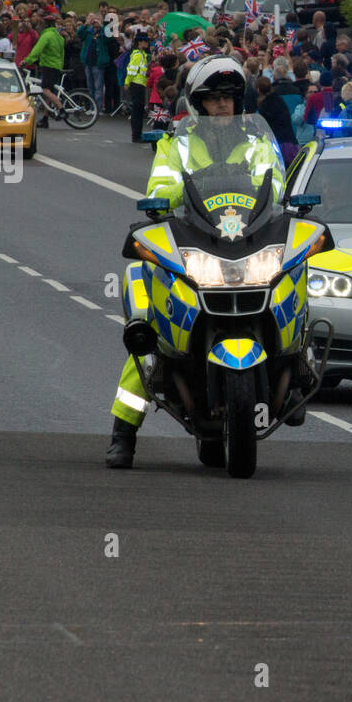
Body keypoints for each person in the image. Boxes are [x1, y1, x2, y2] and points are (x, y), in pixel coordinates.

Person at [106, 57, 285, 468]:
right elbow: (163, 181)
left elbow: (273, 182)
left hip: (246, 239)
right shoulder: (178, 141)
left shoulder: (257, 140)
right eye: (213, 99)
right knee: (151, 331)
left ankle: (293, 360)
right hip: (193, 238)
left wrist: (278, 202)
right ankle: (123, 433)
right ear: (198, 104)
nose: (221, 107)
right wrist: (163, 198)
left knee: (288, 280)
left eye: (228, 99)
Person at [21, 14, 67, 126]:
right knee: (49, 93)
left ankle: (61, 109)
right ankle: (45, 119)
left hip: (48, 66)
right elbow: (62, 53)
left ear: (45, 25)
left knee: (45, 90)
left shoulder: (46, 36)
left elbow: (37, 50)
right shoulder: (59, 36)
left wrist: (27, 61)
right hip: (56, 66)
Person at [124, 33, 151, 143]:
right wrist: (127, 82)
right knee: (137, 111)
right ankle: (136, 136)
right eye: (145, 41)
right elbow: (131, 70)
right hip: (137, 84)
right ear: (140, 42)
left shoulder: (142, 54)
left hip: (140, 84)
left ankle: (138, 134)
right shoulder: (138, 55)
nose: (147, 43)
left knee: (139, 111)